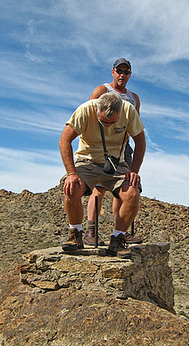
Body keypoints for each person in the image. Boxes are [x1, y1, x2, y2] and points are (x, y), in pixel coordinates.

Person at [59, 92, 146, 258]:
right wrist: (71, 173)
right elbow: (64, 140)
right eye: (103, 121)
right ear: (97, 109)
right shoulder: (85, 110)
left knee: (133, 193)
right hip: (87, 162)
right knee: (71, 189)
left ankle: (118, 239)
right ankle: (76, 235)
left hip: (116, 164)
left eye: (112, 122)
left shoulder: (129, 111)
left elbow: (140, 141)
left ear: (119, 113)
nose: (107, 125)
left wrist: (134, 170)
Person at [84, 58, 142, 246]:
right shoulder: (102, 91)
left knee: (121, 190)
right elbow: (90, 116)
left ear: (130, 74)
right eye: (119, 71)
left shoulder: (133, 98)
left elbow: (136, 123)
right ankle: (91, 230)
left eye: (126, 72)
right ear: (113, 72)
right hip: (100, 148)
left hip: (123, 149)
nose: (122, 75)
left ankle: (120, 232)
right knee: (98, 188)